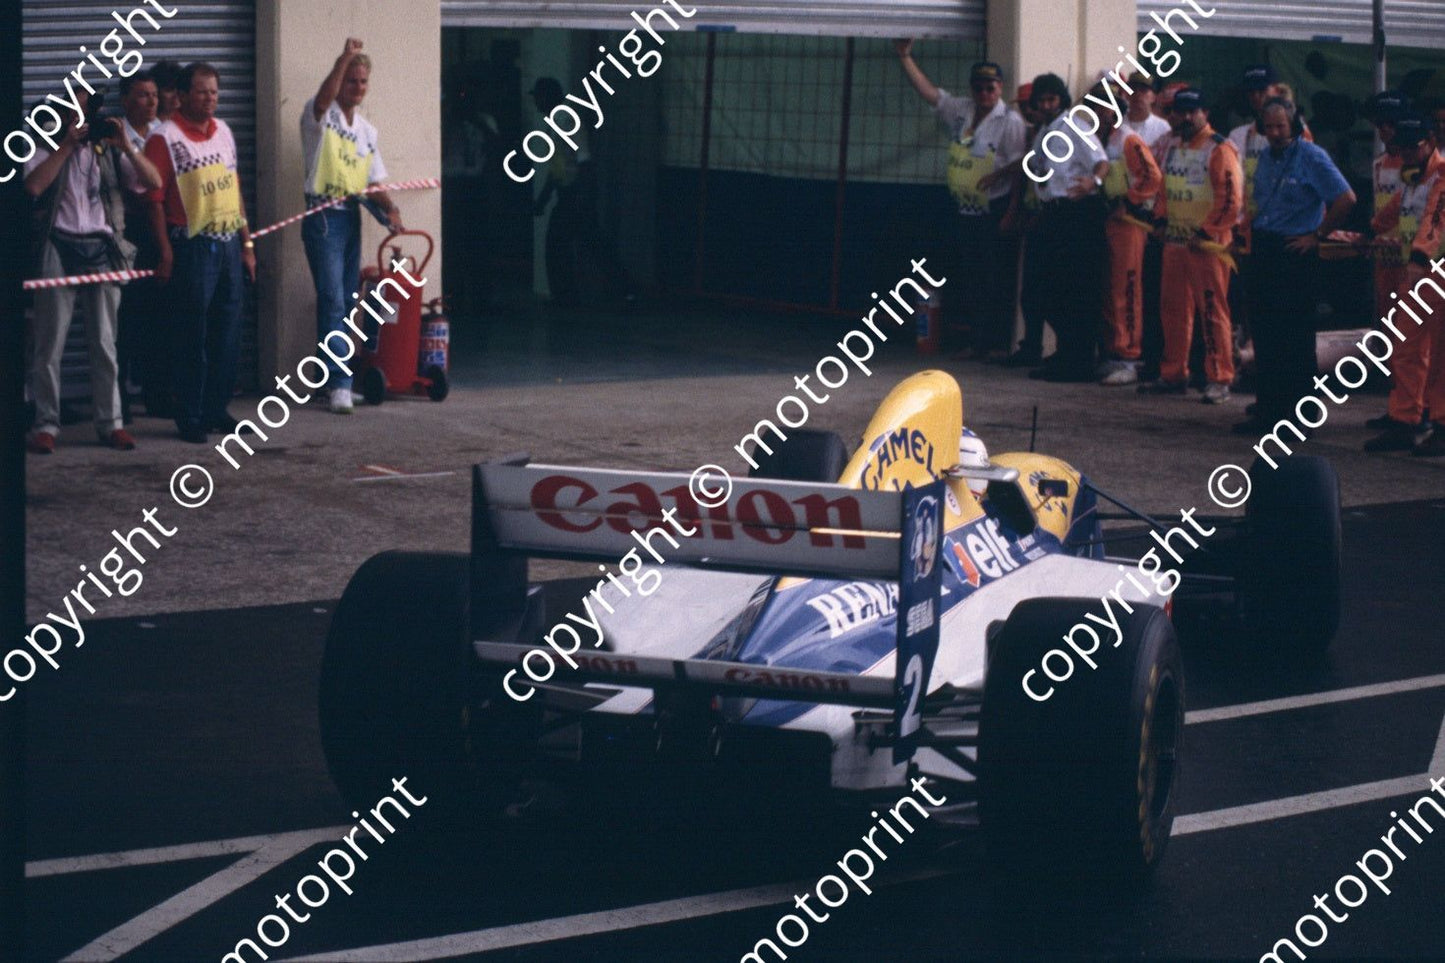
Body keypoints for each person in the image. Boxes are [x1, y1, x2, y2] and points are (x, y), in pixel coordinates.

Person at [24, 89, 160, 454]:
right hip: (58, 244)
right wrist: (66, 146)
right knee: (49, 343)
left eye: (88, 112)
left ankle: (110, 423)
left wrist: (127, 147)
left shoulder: (107, 149)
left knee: (104, 341)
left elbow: (154, 182)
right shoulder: (41, 142)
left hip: (101, 247)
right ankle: (46, 424)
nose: (84, 120)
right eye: (77, 112)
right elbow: (34, 186)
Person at [145, 61, 257, 443]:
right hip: (192, 247)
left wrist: (248, 244)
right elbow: (154, 200)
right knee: (191, 334)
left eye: (214, 92)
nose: (210, 99)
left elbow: (233, 185)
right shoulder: (164, 137)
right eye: (201, 92)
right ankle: (189, 414)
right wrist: (165, 252)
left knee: (227, 332)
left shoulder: (223, 131)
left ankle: (215, 409)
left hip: (228, 245)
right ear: (183, 95)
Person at [895, 43, 1027, 357]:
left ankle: (994, 343)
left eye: (990, 88)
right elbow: (930, 93)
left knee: (995, 279)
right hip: (965, 208)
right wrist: (905, 57)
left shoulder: (1010, 121)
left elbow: (1024, 164)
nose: (984, 93)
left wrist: (1007, 199)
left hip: (994, 208)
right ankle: (976, 340)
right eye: (979, 88)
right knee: (971, 277)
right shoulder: (962, 110)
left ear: (1000, 89)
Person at [1235, 98, 1355, 434]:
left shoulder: (1312, 156)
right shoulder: (1263, 158)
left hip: (1295, 251)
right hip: (1265, 247)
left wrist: (1317, 235)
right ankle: (1269, 411)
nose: (1274, 133)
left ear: (1295, 126)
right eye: (1269, 127)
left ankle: (1299, 418)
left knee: (1295, 339)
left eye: (1281, 127)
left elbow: (1346, 198)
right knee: (1266, 334)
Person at [302, 37, 402, 414]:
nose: (357, 88)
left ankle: (326, 381)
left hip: (350, 216)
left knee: (344, 302)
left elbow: (373, 183)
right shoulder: (319, 116)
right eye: (351, 80)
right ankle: (340, 383)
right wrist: (342, 58)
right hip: (322, 216)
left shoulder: (366, 131)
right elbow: (323, 100)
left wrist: (391, 211)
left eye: (362, 82)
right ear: (340, 79)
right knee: (331, 299)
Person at [1146, 87, 1243, 404]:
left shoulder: (1220, 149)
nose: (1185, 118)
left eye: (1192, 112)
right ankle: (1173, 373)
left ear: (1205, 114)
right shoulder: (1174, 145)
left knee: (1213, 313)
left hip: (1207, 246)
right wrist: (1159, 220)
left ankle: (1220, 378)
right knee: (1172, 310)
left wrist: (1207, 232)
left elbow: (1231, 199)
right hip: (1175, 242)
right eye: (1180, 111)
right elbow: (1165, 188)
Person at [1019, 73, 1110, 382]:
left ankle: (1078, 361)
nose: (1046, 105)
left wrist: (1093, 182)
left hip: (1077, 214)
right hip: (1053, 215)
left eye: (1051, 99)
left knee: (1075, 292)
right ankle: (1065, 352)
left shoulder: (1075, 126)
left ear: (1062, 100)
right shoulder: (1043, 132)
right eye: (1041, 100)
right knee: (1047, 290)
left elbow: (1101, 161)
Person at [1364, 115, 1444, 454]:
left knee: (1439, 355)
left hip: (1431, 273)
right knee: (1406, 347)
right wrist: (1370, 230)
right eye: (1401, 148)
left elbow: (1435, 220)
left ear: (1429, 143)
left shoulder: (1441, 177)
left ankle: (1438, 423)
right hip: (1416, 275)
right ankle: (1406, 419)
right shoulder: (1413, 178)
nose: (1406, 154)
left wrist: (1421, 257)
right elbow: (1397, 209)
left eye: (1413, 147)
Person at [530, 77, 635, 309]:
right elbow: (561, 163)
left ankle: (568, 296)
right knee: (592, 243)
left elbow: (579, 160)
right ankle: (621, 289)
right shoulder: (560, 119)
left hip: (574, 191)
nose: (536, 102)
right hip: (573, 190)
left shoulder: (565, 120)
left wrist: (576, 194)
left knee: (562, 244)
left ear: (547, 96)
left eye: (538, 96)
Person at [1099, 74, 1169, 386]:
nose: (1103, 113)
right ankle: (1115, 351)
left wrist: (1129, 203)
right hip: (1109, 221)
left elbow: (1152, 177)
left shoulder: (1127, 138)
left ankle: (1129, 356)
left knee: (1127, 288)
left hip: (1129, 223)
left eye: (1108, 107)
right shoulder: (1105, 139)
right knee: (1110, 287)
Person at [115, 69, 169, 420]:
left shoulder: (163, 134)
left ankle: (156, 394)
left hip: (159, 228)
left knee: (157, 318)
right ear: (126, 100)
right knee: (125, 319)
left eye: (153, 95)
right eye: (142, 95)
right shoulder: (115, 136)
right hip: (128, 229)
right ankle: (119, 398)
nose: (151, 102)